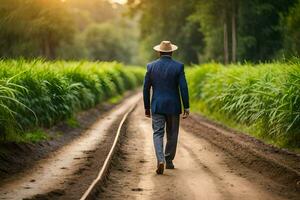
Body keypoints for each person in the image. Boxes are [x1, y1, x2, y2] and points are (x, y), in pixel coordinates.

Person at [143, 40, 190, 175]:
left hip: (157, 105)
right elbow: (183, 87)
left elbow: (146, 88)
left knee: (158, 133)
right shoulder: (179, 67)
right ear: (172, 52)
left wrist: (147, 107)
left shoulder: (150, 67)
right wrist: (186, 106)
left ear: (159, 52)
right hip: (173, 106)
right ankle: (168, 160)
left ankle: (160, 159)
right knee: (172, 133)